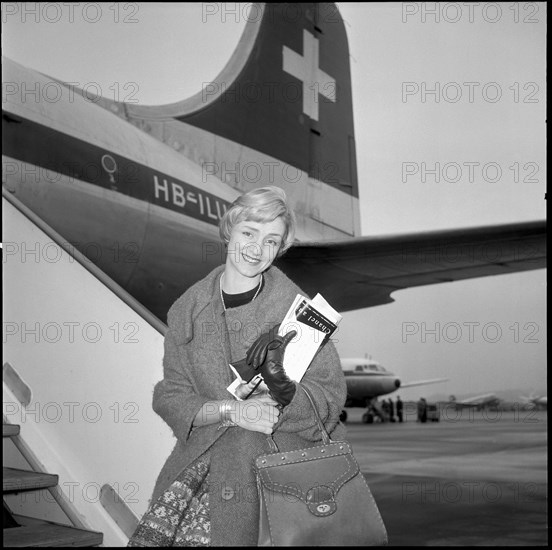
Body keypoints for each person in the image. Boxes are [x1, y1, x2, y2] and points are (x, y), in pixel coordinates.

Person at [128, 186, 347, 547]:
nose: (257, 249)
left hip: (279, 481)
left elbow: (329, 397)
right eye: (249, 232)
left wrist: (281, 400)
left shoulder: (301, 313)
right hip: (203, 474)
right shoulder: (187, 308)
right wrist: (232, 411)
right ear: (230, 228)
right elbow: (170, 394)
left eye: (272, 241)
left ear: (281, 249)